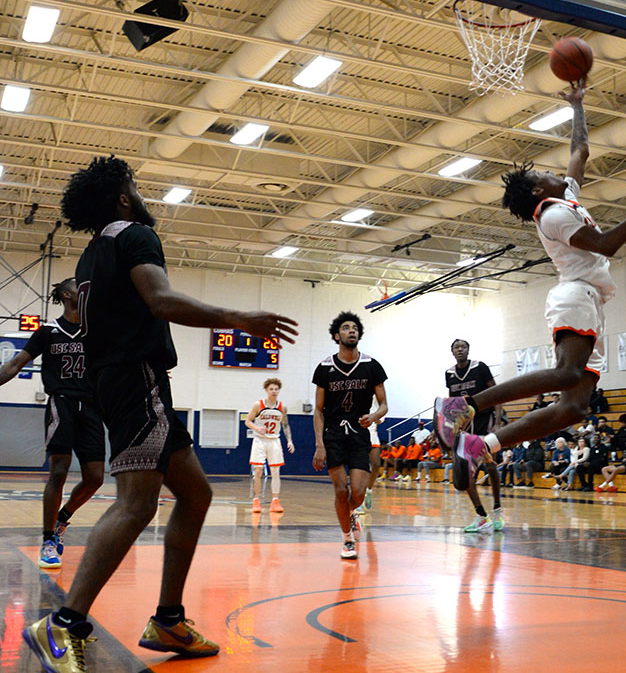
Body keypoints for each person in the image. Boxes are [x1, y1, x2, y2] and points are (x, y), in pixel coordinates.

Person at [23, 156, 299, 671]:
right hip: (136, 378)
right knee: (136, 505)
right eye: (135, 186)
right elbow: (162, 300)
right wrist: (239, 319)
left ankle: (168, 620)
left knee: (196, 493)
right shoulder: (134, 234)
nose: (142, 195)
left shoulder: (91, 254)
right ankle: (63, 625)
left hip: (122, 381)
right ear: (123, 197)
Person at [431, 79, 626, 487]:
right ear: (538, 189)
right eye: (544, 172)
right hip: (575, 293)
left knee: (574, 409)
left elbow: (580, 150)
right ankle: (462, 405)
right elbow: (608, 244)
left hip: (592, 300)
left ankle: (483, 445)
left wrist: (577, 105)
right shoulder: (553, 216)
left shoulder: (567, 198)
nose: (551, 170)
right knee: (565, 374)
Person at [0, 278, 105, 570]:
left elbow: (118, 362)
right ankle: (47, 540)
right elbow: (13, 364)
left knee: (95, 477)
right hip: (62, 402)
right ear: (68, 295)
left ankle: (62, 519)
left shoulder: (95, 331)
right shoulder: (47, 332)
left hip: (92, 407)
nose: (87, 291)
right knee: (58, 470)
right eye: (80, 288)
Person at [312, 311, 388, 559]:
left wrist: (374, 417)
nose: (351, 330)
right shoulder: (324, 368)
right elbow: (318, 410)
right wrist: (319, 445)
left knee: (357, 492)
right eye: (345, 327)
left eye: (354, 327)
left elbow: (384, 404)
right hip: (333, 434)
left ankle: (351, 514)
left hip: (359, 434)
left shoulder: (371, 366)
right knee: (340, 490)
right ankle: (347, 540)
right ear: (337, 335)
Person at [445, 339, 504, 533]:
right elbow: (452, 403)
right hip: (464, 428)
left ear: (468, 350)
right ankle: (481, 515)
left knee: (490, 465)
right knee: (465, 473)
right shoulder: (450, 374)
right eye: (457, 347)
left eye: (463, 347)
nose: (460, 350)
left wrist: (497, 421)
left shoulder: (480, 368)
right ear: (452, 351)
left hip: (484, 422)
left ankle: (497, 509)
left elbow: (496, 393)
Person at [245, 378, 294, 514]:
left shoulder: (282, 407)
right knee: (259, 471)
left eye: (276, 389)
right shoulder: (258, 405)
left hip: (274, 441)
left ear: (279, 390)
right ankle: (256, 500)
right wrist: (256, 427)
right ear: (266, 390)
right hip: (259, 440)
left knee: (275, 472)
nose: (274, 391)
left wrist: (289, 441)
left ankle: (275, 501)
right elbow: (248, 421)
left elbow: (285, 425)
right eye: (271, 389)